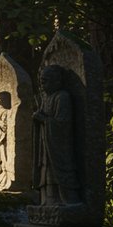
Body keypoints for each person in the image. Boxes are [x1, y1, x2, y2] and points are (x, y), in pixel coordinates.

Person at [32, 65, 81, 206]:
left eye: (45, 81)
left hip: (59, 145)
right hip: (46, 144)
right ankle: (49, 201)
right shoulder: (46, 99)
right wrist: (38, 118)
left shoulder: (62, 97)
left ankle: (67, 200)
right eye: (41, 82)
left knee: (58, 171)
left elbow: (63, 123)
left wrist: (44, 120)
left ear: (57, 81)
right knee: (46, 171)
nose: (42, 85)